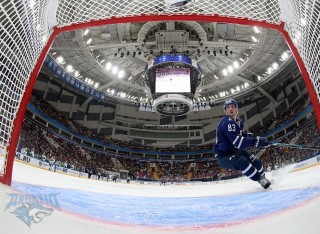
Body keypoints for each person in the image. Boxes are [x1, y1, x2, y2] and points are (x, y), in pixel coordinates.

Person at [214, 99, 271, 189]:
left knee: (257, 163)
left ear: (237, 109)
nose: (230, 109)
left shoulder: (239, 121)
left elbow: (240, 134)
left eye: (232, 106)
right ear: (225, 111)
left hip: (235, 150)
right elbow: (238, 142)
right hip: (223, 155)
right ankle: (261, 180)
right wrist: (256, 141)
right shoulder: (227, 122)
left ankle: (265, 178)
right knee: (242, 162)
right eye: (227, 107)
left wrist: (248, 136)